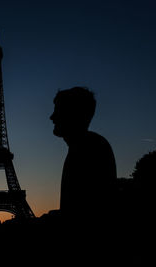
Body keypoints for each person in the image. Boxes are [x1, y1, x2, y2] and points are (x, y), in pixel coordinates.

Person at [50, 87, 117, 220]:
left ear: (73, 114)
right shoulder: (90, 145)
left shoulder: (88, 148)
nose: (52, 117)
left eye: (58, 111)